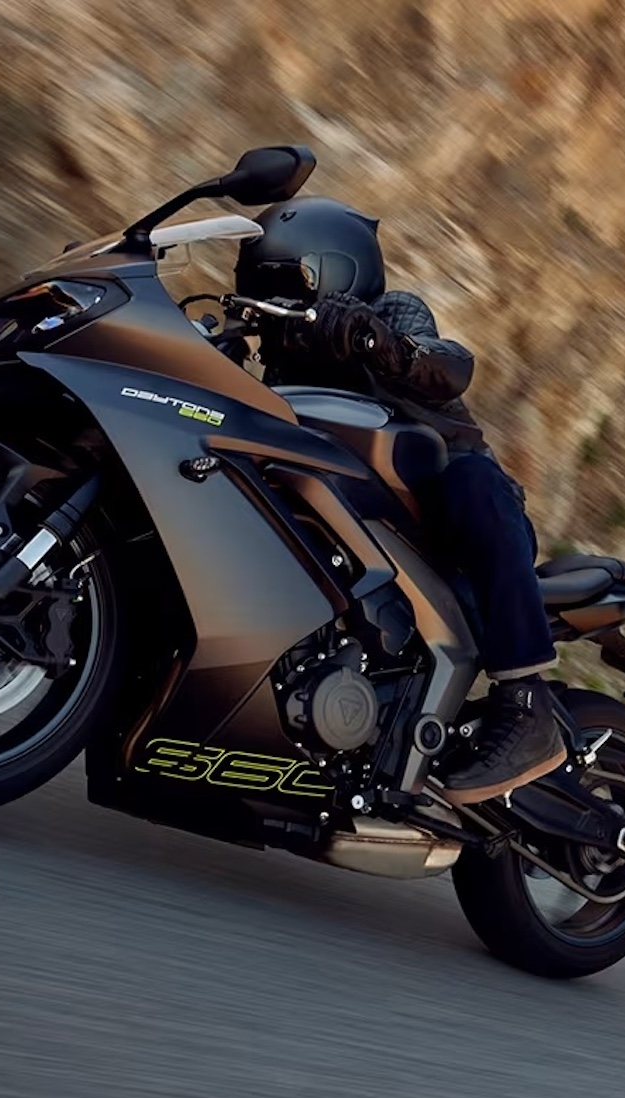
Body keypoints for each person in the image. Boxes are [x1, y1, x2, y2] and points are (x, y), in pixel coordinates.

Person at [233, 197, 565, 804]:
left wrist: (379, 342)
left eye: (285, 280)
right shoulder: (280, 357)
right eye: (259, 283)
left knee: (472, 483)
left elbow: (448, 366)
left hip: (446, 512)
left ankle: (525, 705)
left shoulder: (393, 310)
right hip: (357, 517)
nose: (270, 298)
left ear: (336, 269)